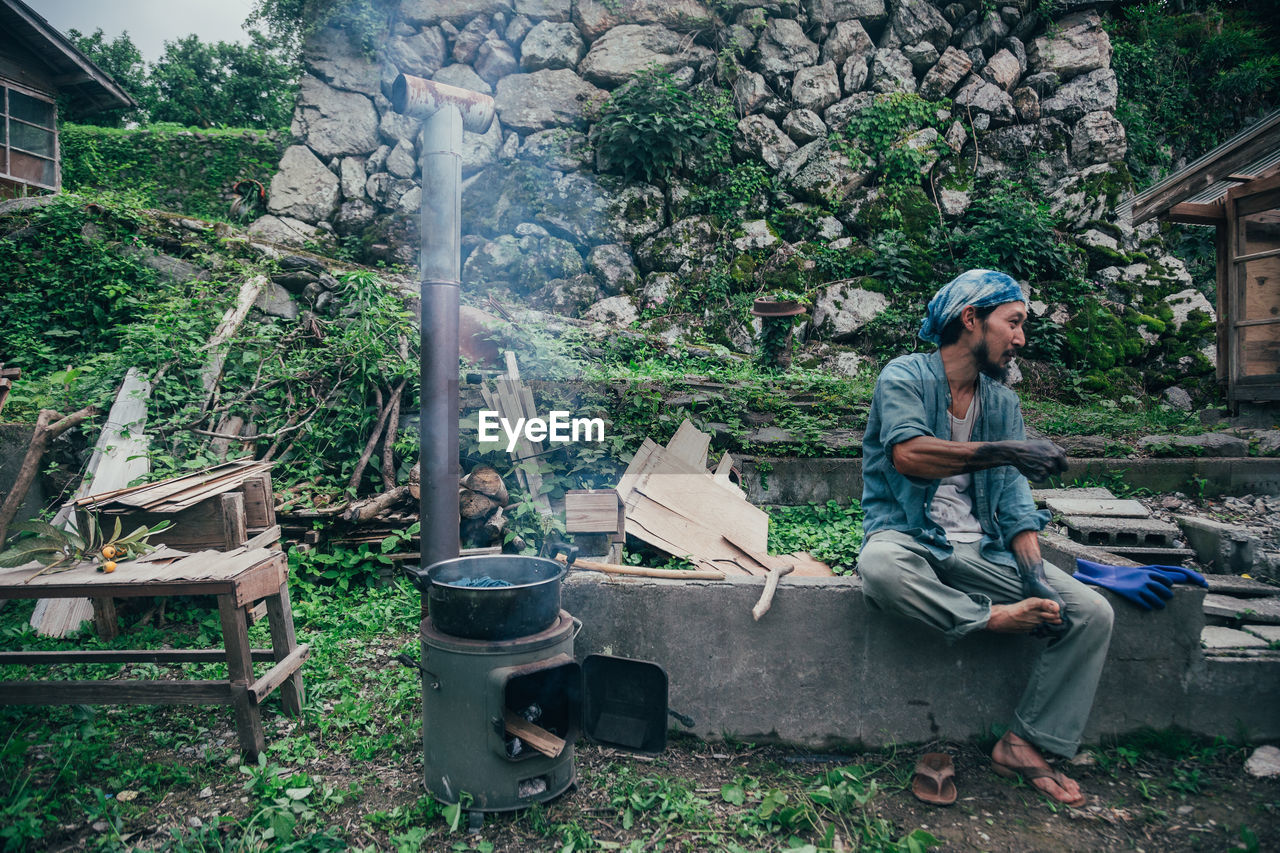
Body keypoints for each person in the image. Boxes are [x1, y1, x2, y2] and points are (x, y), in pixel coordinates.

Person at [856, 269, 1114, 808]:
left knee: (1091, 611)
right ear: (971, 319)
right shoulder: (903, 376)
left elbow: (1017, 509)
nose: (1020, 338)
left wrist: (1037, 582)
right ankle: (987, 618)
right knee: (879, 567)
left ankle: (1024, 742)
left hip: (982, 549)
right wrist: (1009, 451)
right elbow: (908, 455)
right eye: (1013, 322)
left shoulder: (1003, 404)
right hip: (911, 540)